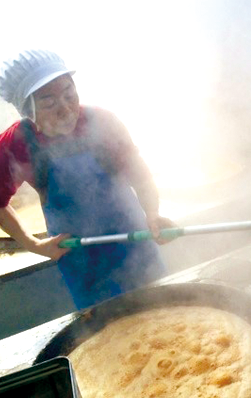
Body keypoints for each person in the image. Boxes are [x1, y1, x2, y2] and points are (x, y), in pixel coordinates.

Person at [0, 49, 173, 309]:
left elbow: (140, 173)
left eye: (69, 94)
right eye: (49, 103)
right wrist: (34, 244)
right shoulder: (18, 143)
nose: (65, 108)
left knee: (166, 313)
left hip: (135, 242)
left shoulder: (103, 121)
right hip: (80, 260)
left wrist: (152, 212)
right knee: (104, 331)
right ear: (27, 109)